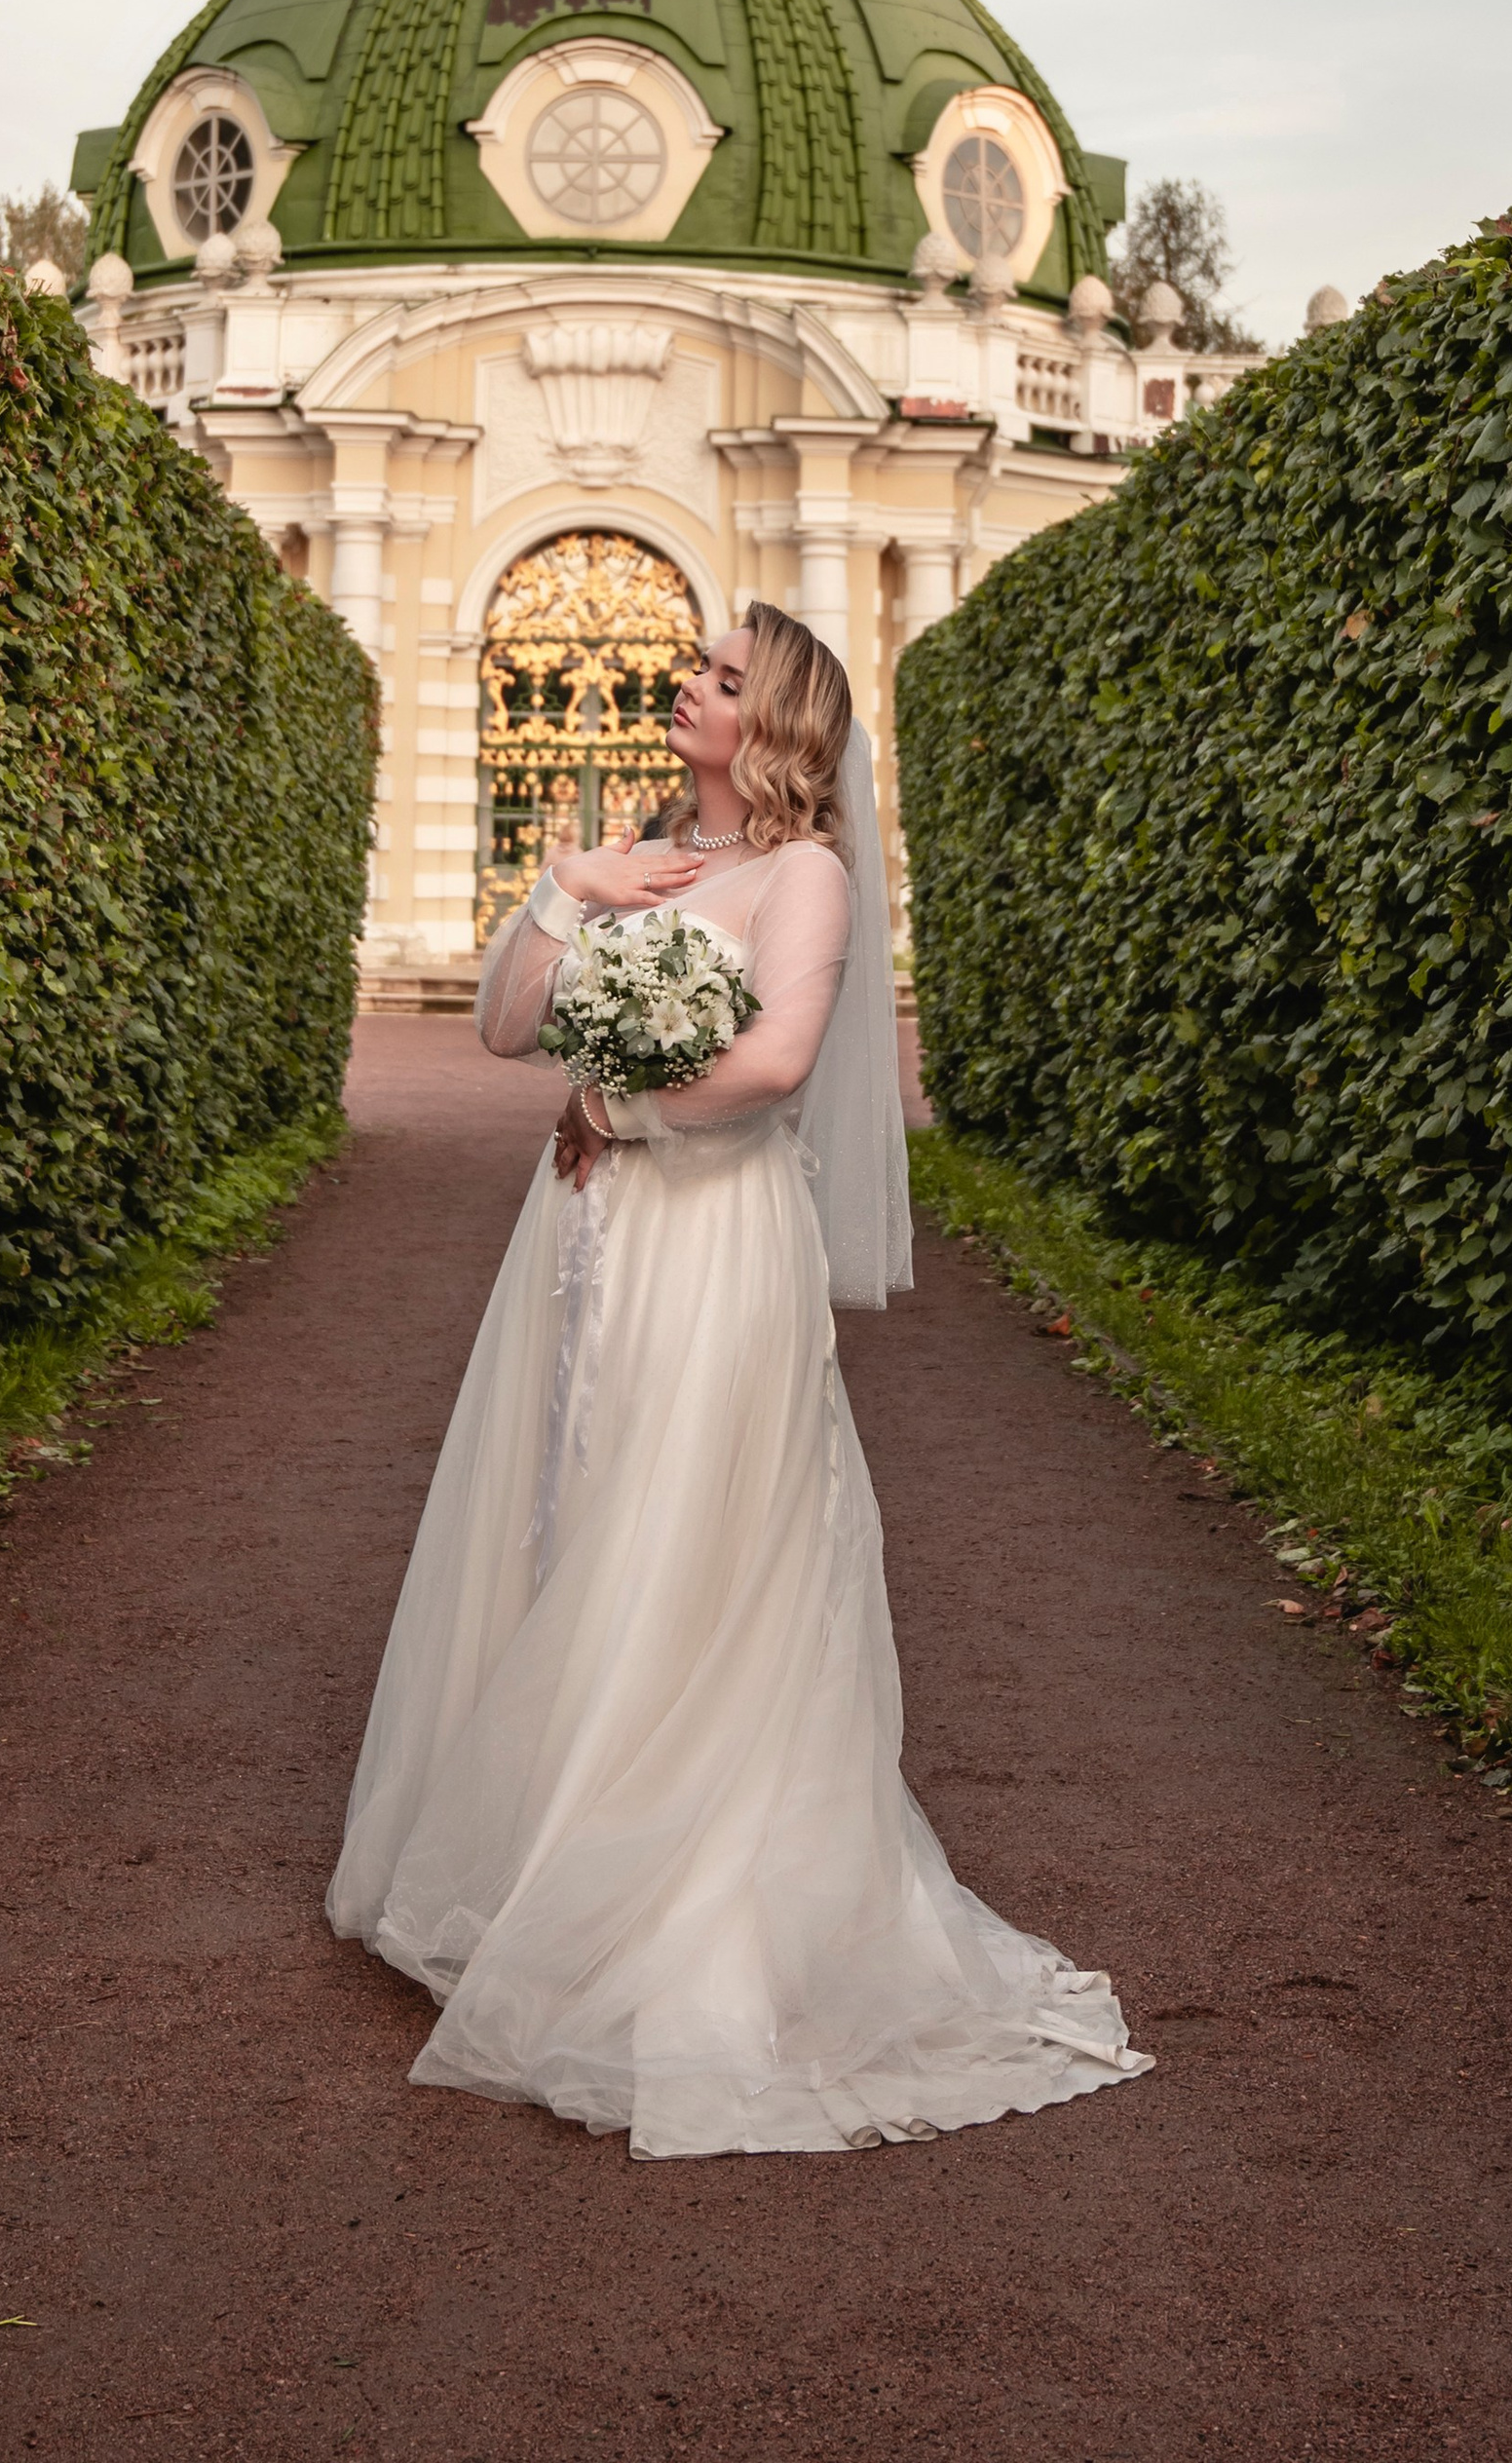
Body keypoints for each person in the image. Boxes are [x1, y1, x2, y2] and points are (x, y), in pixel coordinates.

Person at [327, 602, 1150, 2159]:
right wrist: (567, 890)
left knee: (685, 1534)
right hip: (577, 1243)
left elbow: (774, 1067)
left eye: (715, 676)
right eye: (692, 668)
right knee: (561, 1504)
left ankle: (671, 1888)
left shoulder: (811, 875)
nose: (683, 688)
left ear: (771, 719)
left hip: (711, 1242)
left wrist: (617, 1106)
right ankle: (532, 1853)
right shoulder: (643, 850)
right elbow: (509, 1030)